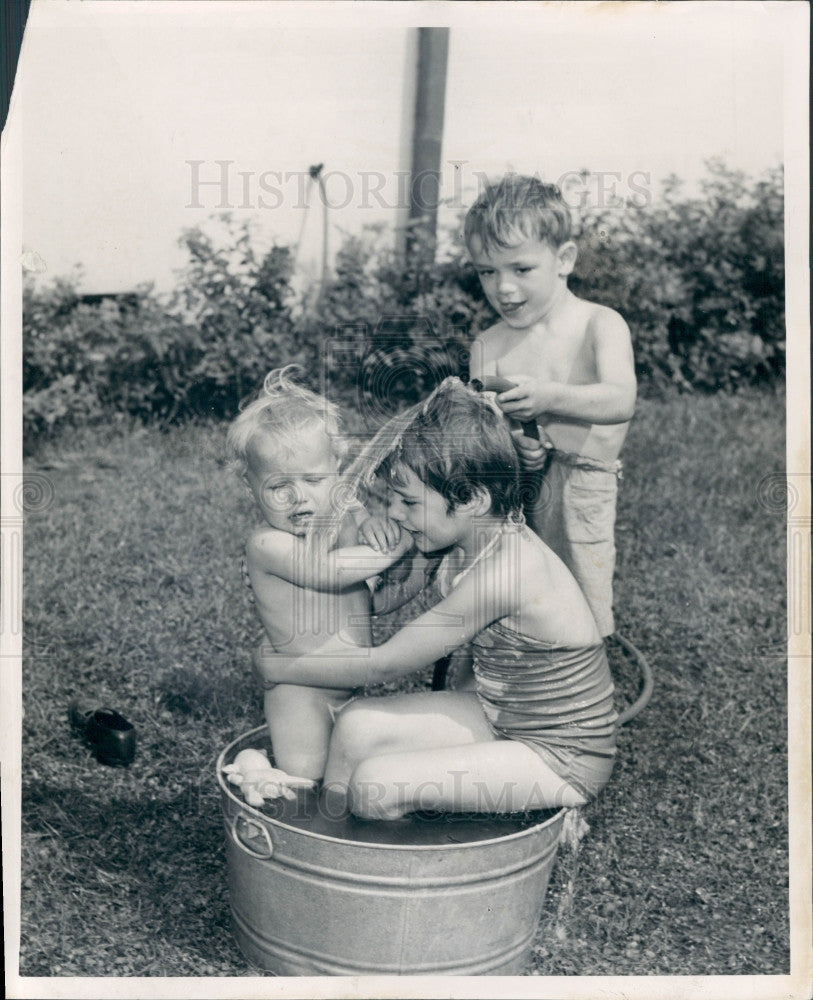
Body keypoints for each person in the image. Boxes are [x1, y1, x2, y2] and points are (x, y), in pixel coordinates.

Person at [254, 379, 617, 820]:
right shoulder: (461, 538)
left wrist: (283, 666)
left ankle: (399, 864)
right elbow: (380, 601)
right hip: (502, 715)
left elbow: (387, 663)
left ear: (471, 500)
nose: (395, 514)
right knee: (356, 724)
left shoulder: (504, 574)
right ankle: (323, 837)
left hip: (561, 753)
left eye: (408, 502)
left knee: (375, 785)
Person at [465, 174, 637, 637]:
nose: (502, 287)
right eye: (486, 271)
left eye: (520, 270)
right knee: (512, 582)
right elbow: (484, 431)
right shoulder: (488, 345)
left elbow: (621, 399)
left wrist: (551, 396)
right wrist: (512, 447)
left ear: (564, 259)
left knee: (582, 580)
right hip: (514, 492)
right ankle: (515, 664)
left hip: (583, 484)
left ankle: (586, 676)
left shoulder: (598, 325)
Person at [227, 366, 412, 782]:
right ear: (249, 487)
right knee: (305, 779)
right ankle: (257, 772)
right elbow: (329, 572)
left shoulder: (344, 514)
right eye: (279, 487)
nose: (299, 498)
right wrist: (400, 542)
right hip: (300, 692)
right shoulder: (268, 544)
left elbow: (356, 522)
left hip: (347, 684)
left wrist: (370, 526)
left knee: (345, 774)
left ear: (338, 471)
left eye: (313, 479)